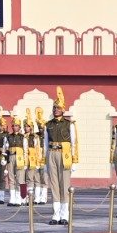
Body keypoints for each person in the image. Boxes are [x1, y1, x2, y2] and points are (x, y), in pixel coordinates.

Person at [44, 90, 76, 225]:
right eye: (54, 108)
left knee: (64, 184)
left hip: (65, 154)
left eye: (58, 108)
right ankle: (56, 215)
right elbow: (45, 143)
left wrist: (74, 161)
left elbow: (74, 143)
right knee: (54, 185)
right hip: (52, 153)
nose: (56, 110)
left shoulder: (69, 124)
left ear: (63, 109)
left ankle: (65, 215)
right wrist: (45, 161)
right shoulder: (48, 124)